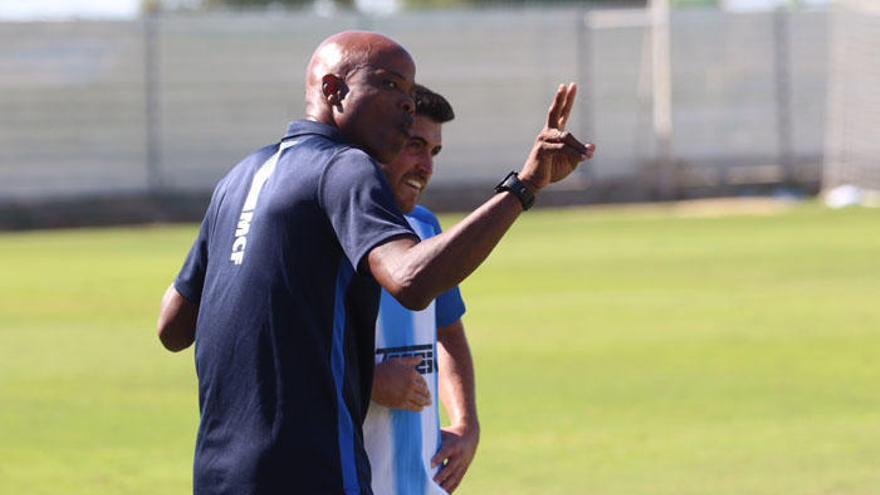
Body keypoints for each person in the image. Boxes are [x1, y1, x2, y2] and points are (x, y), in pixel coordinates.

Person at [157, 30, 595, 495]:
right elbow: (410, 280)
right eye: (389, 85)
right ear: (333, 90)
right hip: (313, 473)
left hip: (218, 474)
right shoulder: (344, 166)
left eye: (409, 92)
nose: (407, 104)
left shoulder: (240, 177)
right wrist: (523, 187)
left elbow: (173, 327)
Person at [363, 85, 477, 495]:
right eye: (415, 146)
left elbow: (448, 330)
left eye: (434, 152)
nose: (426, 166)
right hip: (348, 476)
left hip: (419, 482)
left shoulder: (426, 228)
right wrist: (367, 381)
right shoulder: (332, 228)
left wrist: (466, 423)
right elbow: (290, 348)